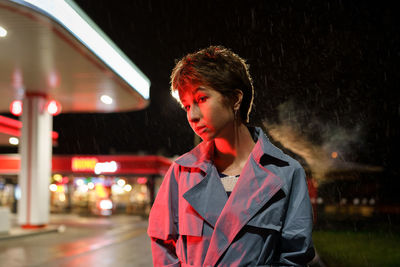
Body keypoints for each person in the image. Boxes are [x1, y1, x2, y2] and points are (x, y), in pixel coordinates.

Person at [147, 46, 315, 266]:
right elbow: (163, 246)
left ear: (235, 99)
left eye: (202, 99)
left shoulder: (287, 173)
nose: (192, 116)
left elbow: (294, 256)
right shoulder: (181, 173)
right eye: (187, 106)